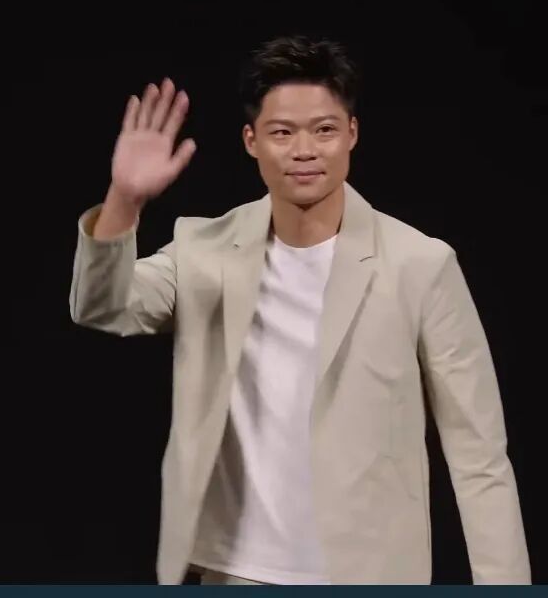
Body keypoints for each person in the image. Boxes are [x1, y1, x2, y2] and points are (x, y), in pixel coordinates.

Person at [68, 36, 530, 584]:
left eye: (324, 130)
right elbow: (103, 306)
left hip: (368, 573)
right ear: (251, 141)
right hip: (236, 572)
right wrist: (124, 200)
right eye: (282, 132)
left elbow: (479, 454)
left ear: (352, 133)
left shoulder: (419, 265)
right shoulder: (205, 250)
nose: (304, 150)